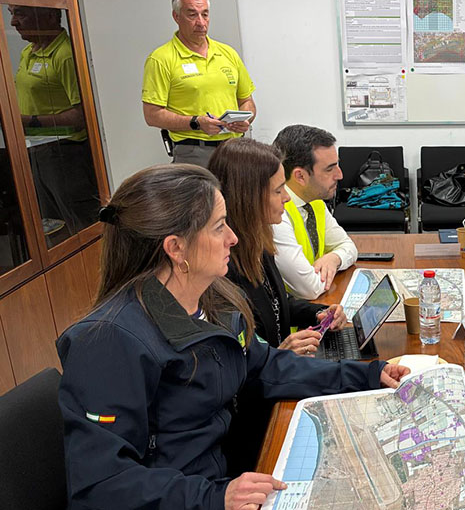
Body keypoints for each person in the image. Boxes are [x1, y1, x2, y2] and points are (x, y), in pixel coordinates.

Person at [57, 164, 408, 509]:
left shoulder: (215, 299)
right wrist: (213, 498)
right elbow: (101, 485)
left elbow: (265, 366)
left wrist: (365, 374)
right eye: (219, 227)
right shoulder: (108, 343)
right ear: (176, 248)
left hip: (224, 480)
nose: (234, 238)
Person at [208, 138, 344, 355]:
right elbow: (237, 357)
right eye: (278, 190)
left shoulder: (258, 242)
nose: (287, 198)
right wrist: (279, 354)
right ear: (249, 196)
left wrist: (319, 312)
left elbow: (274, 304)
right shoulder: (222, 265)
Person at [8, 5, 99, 240]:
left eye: (21, 13)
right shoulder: (28, 51)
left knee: (82, 225)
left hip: (67, 155)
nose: (13, 22)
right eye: (11, 13)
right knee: (53, 228)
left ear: (49, 15)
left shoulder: (66, 54)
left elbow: (81, 117)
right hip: (38, 150)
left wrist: (30, 121)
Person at [142, 0, 256, 167]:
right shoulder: (161, 59)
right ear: (176, 17)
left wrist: (245, 120)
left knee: (241, 197)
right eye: (192, 15)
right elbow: (152, 115)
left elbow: (247, 101)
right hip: (194, 152)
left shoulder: (228, 53)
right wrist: (196, 122)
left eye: (205, 14)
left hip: (236, 149)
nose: (201, 23)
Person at [272, 125, 358, 300]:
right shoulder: (275, 214)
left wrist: (334, 258)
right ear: (300, 176)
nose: (340, 175)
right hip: (295, 321)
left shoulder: (314, 201)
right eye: (329, 169)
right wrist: (333, 262)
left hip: (319, 306)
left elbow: (349, 247)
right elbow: (309, 288)